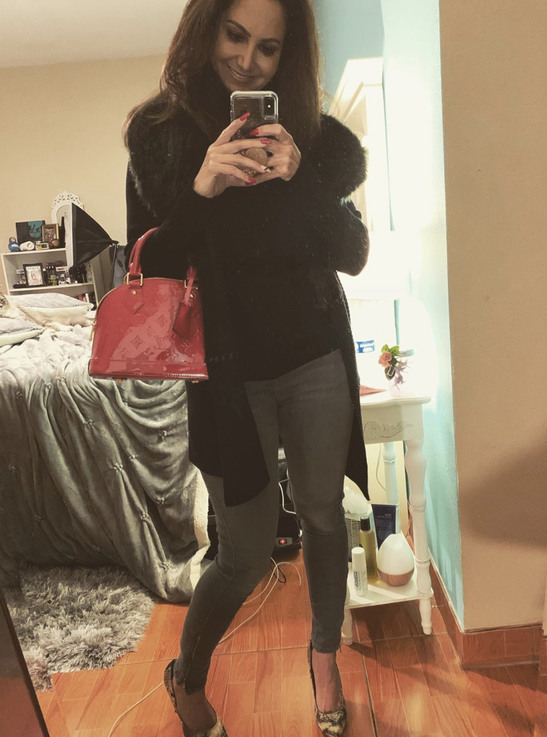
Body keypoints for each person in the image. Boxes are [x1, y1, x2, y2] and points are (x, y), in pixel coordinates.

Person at [124, 0, 370, 735]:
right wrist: (201, 190)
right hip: (227, 376)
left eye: (268, 47)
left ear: (288, 55)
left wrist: (301, 178)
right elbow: (151, 271)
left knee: (324, 515)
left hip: (316, 355)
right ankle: (187, 675)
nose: (247, 60)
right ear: (205, 29)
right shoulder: (162, 136)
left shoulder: (312, 135)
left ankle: (324, 658)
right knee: (245, 553)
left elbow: (354, 253)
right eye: (234, 36)